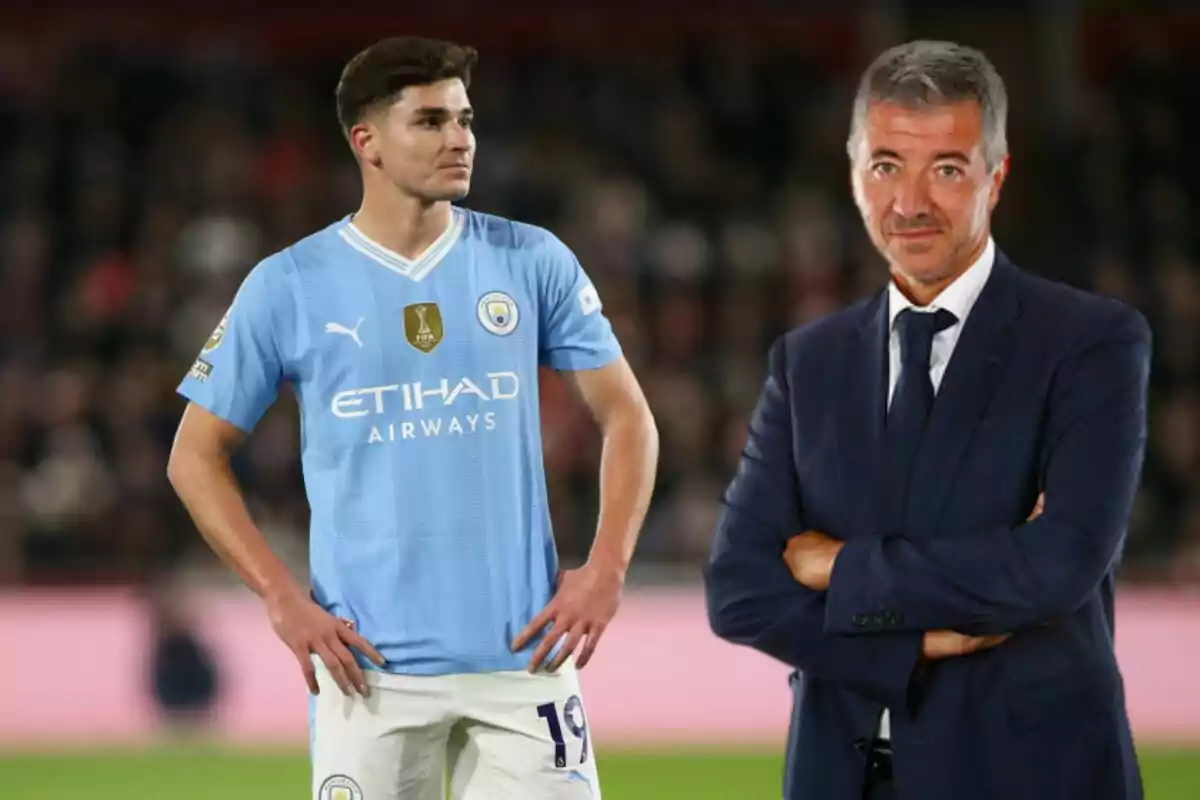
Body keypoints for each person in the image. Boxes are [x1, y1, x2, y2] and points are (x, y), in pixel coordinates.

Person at [167, 36, 658, 800]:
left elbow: (628, 415)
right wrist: (280, 595)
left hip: (522, 667)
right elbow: (193, 455)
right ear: (366, 141)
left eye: (465, 119)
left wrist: (608, 569)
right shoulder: (288, 285)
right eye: (430, 121)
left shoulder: (532, 261)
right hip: (370, 677)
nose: (459, 138)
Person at [705, 39, 1149, 800]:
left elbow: (1056, 567)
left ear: (995, 177)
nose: (910, 202)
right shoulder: (806, 362)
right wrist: (916, 644)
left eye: (946, 168)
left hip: (1032, 778)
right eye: (886, 166)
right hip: (841, 776)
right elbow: (739, 592)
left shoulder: (1090, 341)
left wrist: (836, 565)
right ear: (853, 177)